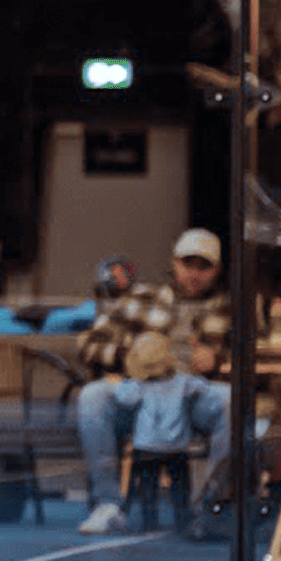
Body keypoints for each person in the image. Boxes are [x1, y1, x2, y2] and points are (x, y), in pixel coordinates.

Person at [74, 227, 231, 535]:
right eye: (188, 264)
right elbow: (89, 344)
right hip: (142, 392)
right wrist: (132, 358)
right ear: (175, 263)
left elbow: (257, 354)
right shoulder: (143, 299)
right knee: (92, 396)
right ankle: (108, 504)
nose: (194, 273)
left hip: (194, 394)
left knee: (232, 401)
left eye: (204, 266)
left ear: (217, 269)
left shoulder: (231, 306)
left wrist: (219, 361)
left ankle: (211, 507)